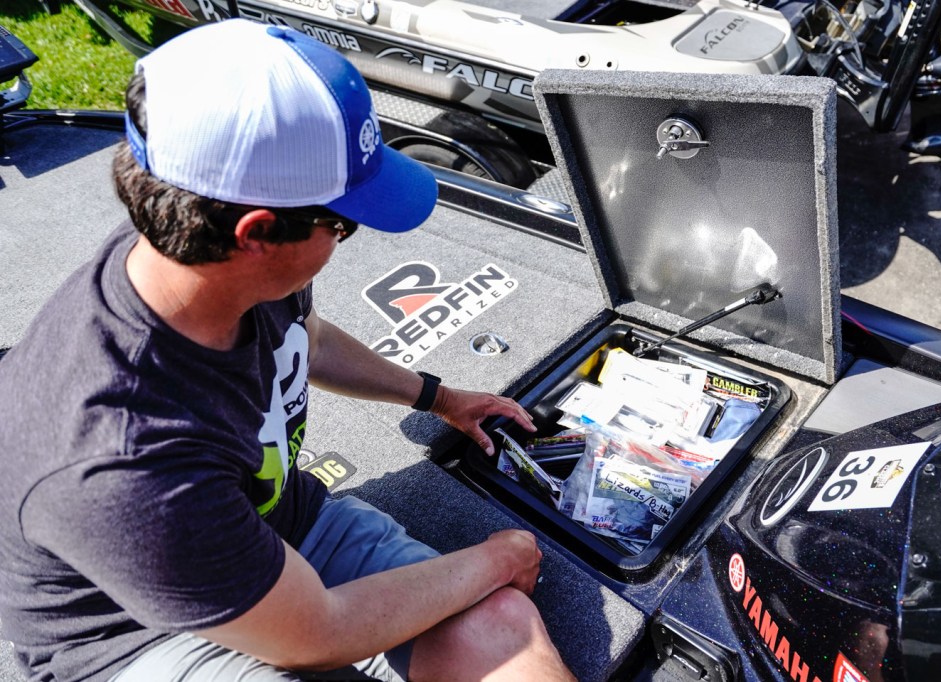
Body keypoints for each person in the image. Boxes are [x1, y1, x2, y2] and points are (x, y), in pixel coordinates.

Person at [0, 18, 574, 682]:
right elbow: (316, 633)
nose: (348, 236)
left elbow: (306, 337)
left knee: (500, 627)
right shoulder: (121, 456)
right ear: (257, 234)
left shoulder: (202, 253)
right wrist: (497, 559)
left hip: (274, 528)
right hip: (134, 635)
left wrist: (440, 398)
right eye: (344, 222)